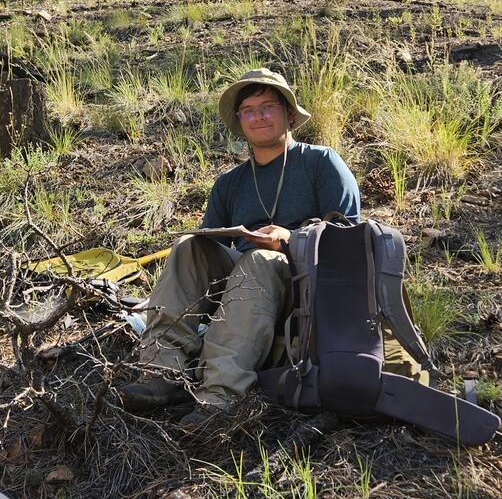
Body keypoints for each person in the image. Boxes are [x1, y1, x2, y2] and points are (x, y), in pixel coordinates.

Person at [117, 68, 364, 427]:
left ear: (289, 113)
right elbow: (210, 250)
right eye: (248, 109)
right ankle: (161, 372)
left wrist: (289, 239)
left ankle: (219, 395)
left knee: (260, 258)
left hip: (304, 287)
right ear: (239, 121)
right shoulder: (230, 184)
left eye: (268, 106)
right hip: (242, 290)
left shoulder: (321, 163)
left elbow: (349, 237)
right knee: (190, 247)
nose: (258, 116)